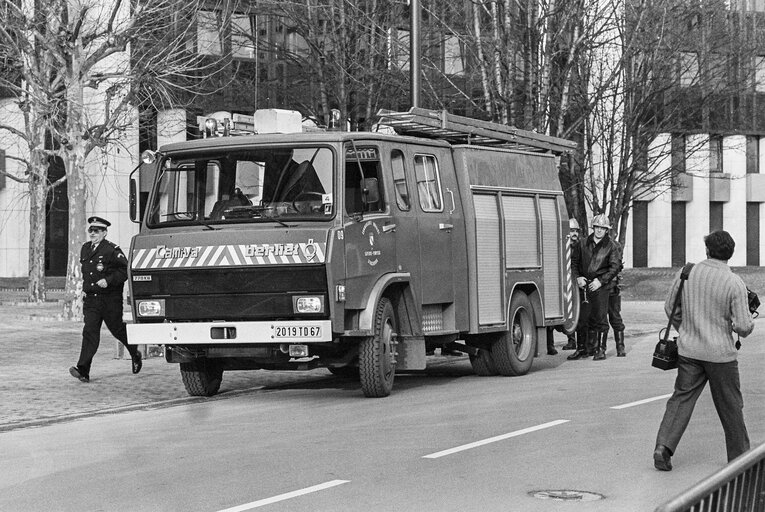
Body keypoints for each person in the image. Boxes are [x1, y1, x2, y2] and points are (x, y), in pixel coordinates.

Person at [653, 230, 754, 471]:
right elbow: (742, 326)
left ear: (707, 250)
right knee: (731, 406)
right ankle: (740, 459)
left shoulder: (687, 273)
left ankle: (663, 448)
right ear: (729, 254)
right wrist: (750, 319)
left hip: (689, 351)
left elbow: (670, 308)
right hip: (721, 356)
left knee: (681, 399)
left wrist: (686, 328)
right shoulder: (734, 282)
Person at [69, 216, 142, 383]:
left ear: (104, 232)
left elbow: (125, 270)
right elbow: (87, 273)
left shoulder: (111, 250)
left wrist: (108, 280)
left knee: (117, 330)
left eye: (96, 231)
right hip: (92, 300)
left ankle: (134, 351)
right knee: (89, 332)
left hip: (110, 299)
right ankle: (83, 370)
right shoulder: (85, 249)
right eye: (91, 230)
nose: (92, 233)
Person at [567, 214, 621, 361]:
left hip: (600, 287)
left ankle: (600, 349)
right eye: (597, 227)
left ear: (606, 230)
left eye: (602, 228)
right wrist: (578, 277)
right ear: (594, 227)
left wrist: (601, 281)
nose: (599, 231)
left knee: (601, 318)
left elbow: (615, 267)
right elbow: (574, 263)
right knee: (582, 319)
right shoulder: (582, 243)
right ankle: (582, 349)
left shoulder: (611, 246)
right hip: (584, 286)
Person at [562, 218, 581, 351]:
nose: (574, 233)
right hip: (566, 281)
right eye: (571, 230)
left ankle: (580, 342)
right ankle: (571, 340)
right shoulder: (563, 246)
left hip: (577, 281)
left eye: (576, 231)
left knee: (578, 311)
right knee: (568, 311)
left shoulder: (581, 246)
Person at [604, 239, 626, 357]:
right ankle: (599, 347)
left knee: (615, 317)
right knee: (601, 319)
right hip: (601, 288)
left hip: (612, 289)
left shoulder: (614, 245)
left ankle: (620, 346)